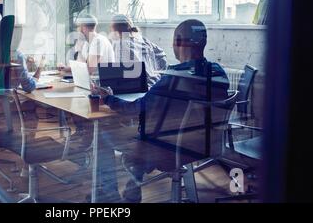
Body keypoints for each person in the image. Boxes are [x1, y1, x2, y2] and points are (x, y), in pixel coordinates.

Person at [92, 19, 230, 202]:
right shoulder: (217, 72)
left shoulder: (173, 79)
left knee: (102, 135)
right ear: (203, 42)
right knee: (148, 133)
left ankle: (111, 198)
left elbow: (135, 109)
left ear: (178, 42)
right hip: (204, 144)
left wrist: (108, 98)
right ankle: (134, 184)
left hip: (169, 149)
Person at [110, 14, 168, 87]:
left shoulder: (120, 44)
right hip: (153, 85)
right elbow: (162, 55)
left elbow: (116, 72)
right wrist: (159, 75)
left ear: (114, 29)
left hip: (136, 87)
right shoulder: (143, 40)